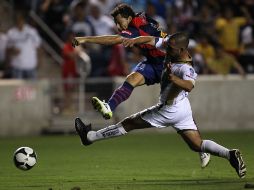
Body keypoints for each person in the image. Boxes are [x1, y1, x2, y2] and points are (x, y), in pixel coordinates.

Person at [74, 32, 246, 178]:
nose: (166, 50)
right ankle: (230, 154)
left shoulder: (185, 68)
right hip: (182, 108)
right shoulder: (174, 48)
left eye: (170, 48)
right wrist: (134, 40)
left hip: (169, 108)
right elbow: (151, 40)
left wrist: (173, 79)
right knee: (196, 145)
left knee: (129, 123)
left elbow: (189, 85)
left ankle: (90, 137)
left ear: (181, 50)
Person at [72, 3, 210, 168]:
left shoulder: (133, 29)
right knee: (132, 79)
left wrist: (84, 39)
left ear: (129, 18)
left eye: (119, 21)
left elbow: (114, 40)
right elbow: (155, 26)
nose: (117, 26)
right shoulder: (142, 16)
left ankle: (202, 147)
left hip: (168, 65)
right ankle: (108, 107)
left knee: (178, 105)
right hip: (152, 62)